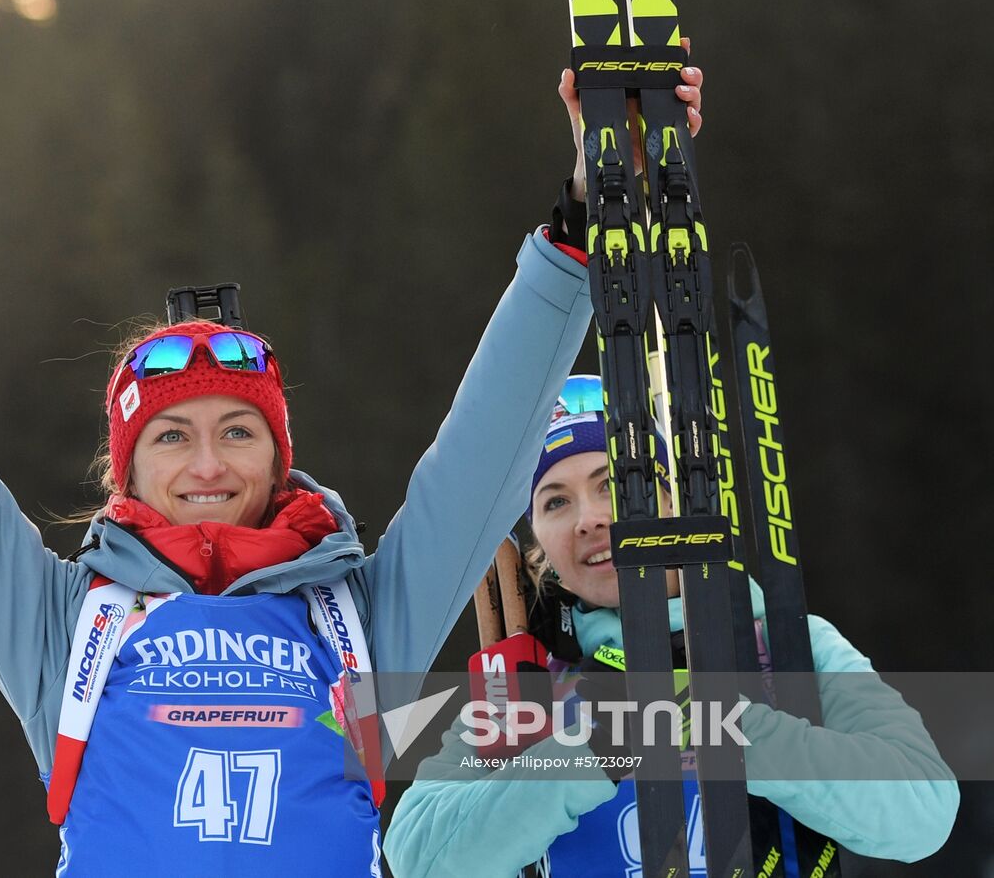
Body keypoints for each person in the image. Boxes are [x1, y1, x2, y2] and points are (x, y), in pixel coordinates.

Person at [0, 52, 702, 875]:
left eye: (237, 431)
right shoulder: (64, 626)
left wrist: (584, 212)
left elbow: (485, 446)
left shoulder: (355, 614)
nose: (207, 461)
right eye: (172, 435)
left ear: (276, 456)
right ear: (127, 468)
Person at [382, 374, 960, 877]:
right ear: (538, 541)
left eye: (613, 485)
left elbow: (922, 811)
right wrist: (585, 749)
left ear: (670, 498)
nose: (590, 519)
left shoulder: (782, 645)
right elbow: (417, 859)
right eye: (555, 502)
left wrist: (735, 731)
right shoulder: (526, 685)